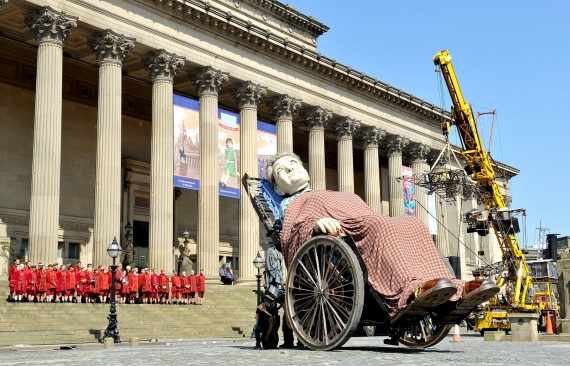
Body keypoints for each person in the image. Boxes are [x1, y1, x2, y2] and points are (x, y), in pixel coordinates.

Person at [264, 152, 497, 318]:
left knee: (413, 223)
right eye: (282, 170)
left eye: (294, 163)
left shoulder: (323, 192)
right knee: (379, 225)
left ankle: (452, 290)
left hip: (363, 223)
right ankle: (411, 290)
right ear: (277, 188)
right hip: (348, 236)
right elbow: (292, 231)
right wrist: (315, 224)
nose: (291, 168)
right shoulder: (290, 203)